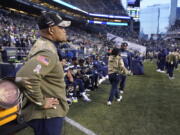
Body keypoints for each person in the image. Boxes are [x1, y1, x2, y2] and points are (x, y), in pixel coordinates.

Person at [15, 11, 71, 135]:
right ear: (51, 30)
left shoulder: (45, 46)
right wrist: (41, 102)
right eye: (61, 27)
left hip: (46, 115)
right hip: (47, 115)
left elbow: (40, 69)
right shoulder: (47, 52)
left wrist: (56, 66)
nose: (65, 30)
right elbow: (24, 77)